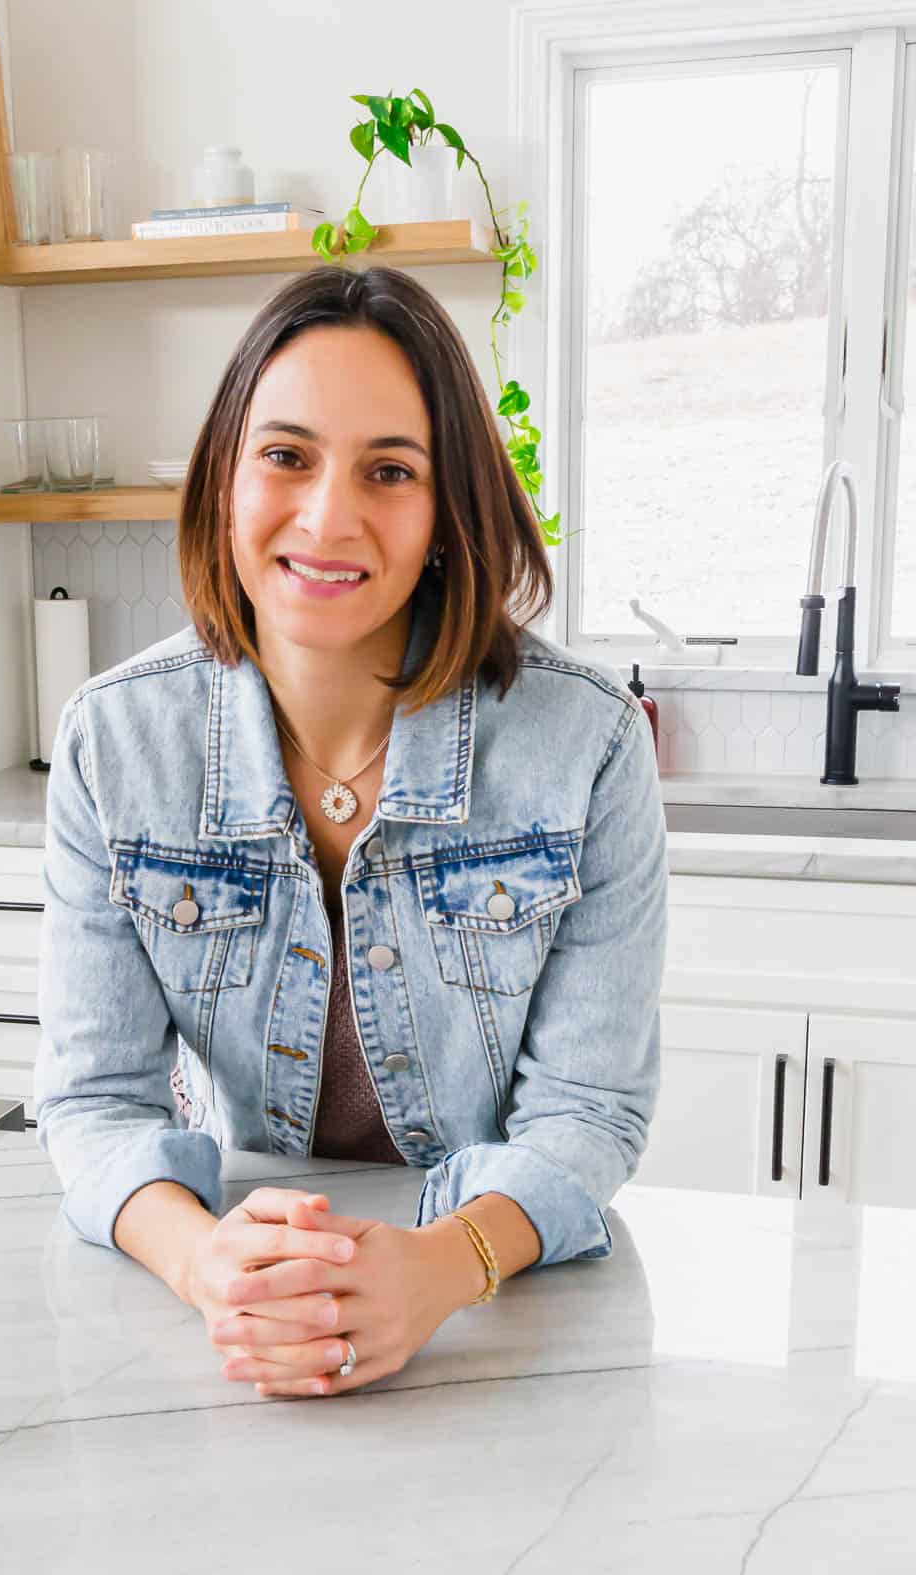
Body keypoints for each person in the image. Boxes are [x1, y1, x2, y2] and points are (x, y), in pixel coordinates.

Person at [33, 264, 668, 1401]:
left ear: (446, 513)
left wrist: (444, 1265)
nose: (328, 517)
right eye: (285, 455)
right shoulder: (109, 743)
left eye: (390, 470)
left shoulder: (591, 746)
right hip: (248, 1306)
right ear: (226, 478)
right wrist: (203, 1263)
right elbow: (94, 1103)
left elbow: (589, 1110)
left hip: (505, 1321)